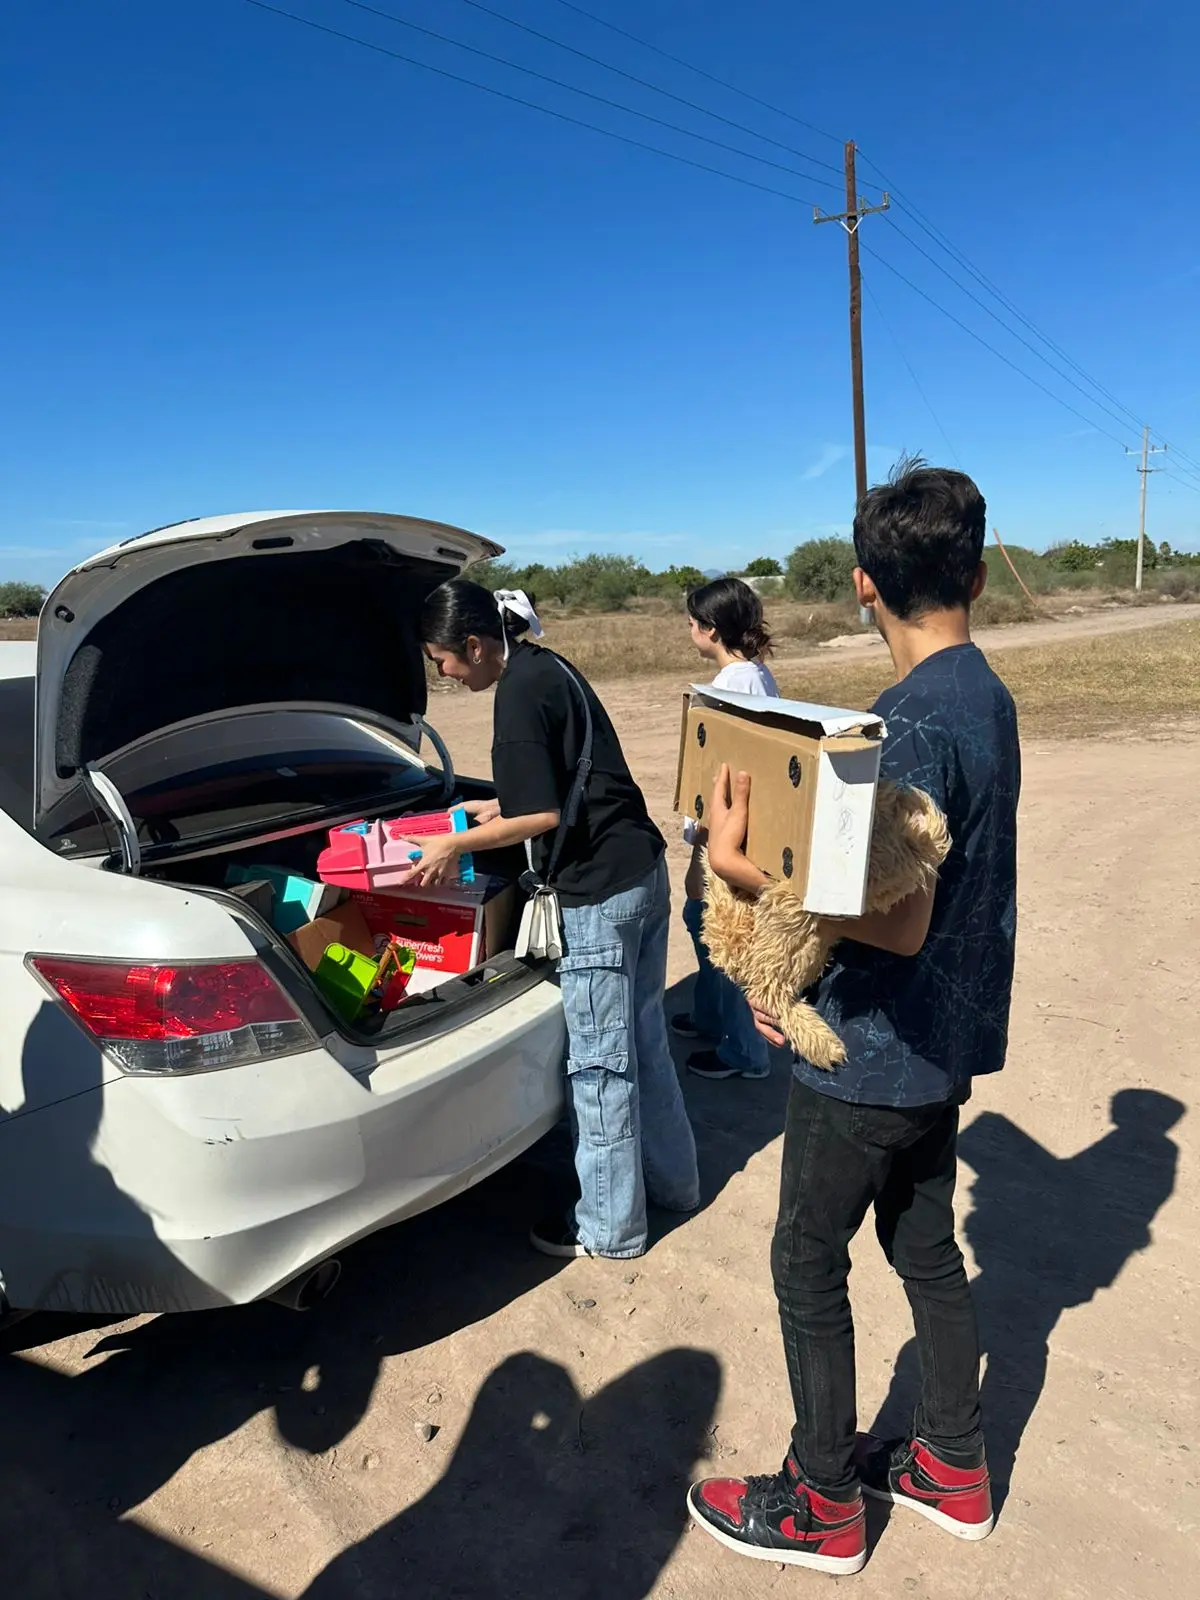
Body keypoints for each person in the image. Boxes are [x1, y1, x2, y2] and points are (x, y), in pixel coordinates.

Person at [687, 461, 1020, 1574]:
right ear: (974, 572)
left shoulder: (907, 722)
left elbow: (900, 921)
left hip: (871, 1056)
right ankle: (950, 1462)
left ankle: (824, 1498)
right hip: (943, 1050)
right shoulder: (986, 694)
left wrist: (739, 866)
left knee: (804, 1259)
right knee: (927, 1248)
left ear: (864, 586)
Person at [417, 579, 700, 1261]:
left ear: (476, 645)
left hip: (598, 895)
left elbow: (542, 817)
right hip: (639, 870)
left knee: (599, 1068)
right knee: (645, 1043)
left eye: (442, 661)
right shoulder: (548, 666)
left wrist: (452, 844)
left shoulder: (513, 696)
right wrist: (491, 811)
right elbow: (564, 781)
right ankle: (674, 1185)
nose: (444, 676)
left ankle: (608, 1228)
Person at [675, 578, 778, 1082]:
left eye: (692, 623)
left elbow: (727, 767)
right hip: (722, 829)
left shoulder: (738, 685)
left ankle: (745, 1050)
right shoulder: (749, 677)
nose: (689, 631)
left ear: (710, 630)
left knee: (725, 932)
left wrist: (701, 832)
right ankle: (712, 1016)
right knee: (700, 915)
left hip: (727, 832)